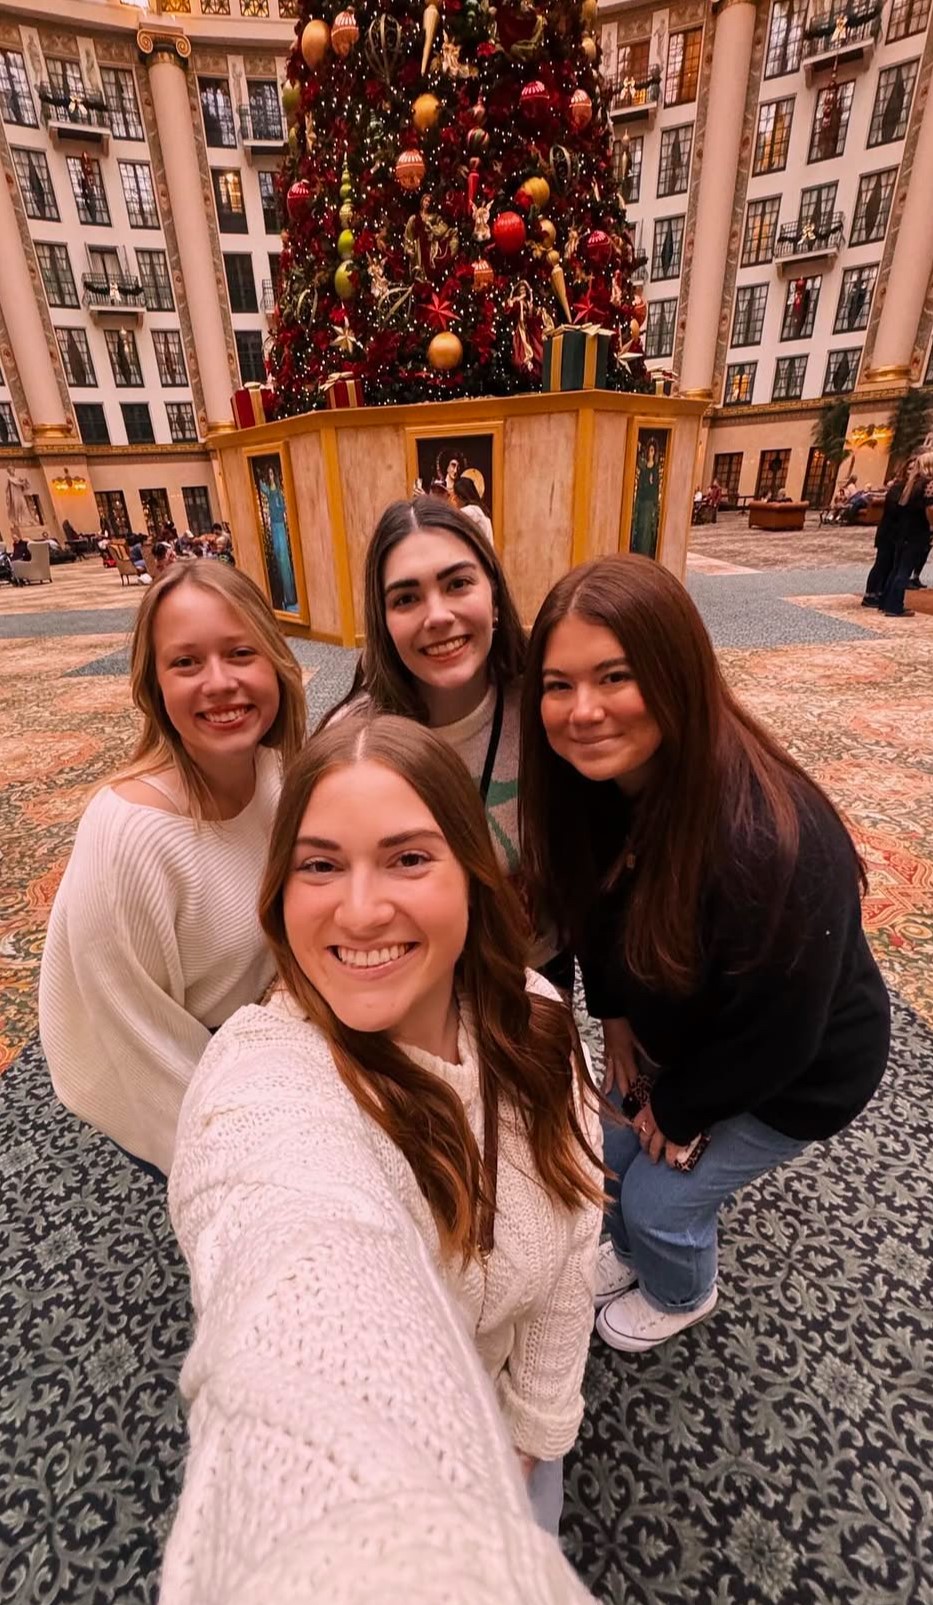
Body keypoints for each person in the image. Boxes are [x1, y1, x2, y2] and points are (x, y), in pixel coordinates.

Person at [169, 715, 603, 1539]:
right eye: (321, 865)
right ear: (281, 890)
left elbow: (574, 1240)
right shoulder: (267, 1079)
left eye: (407, 858)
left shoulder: (537, 1017)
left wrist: (532, 1432)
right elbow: (283, 1235)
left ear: (472, 873)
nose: (361, 910)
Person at [519, 554, 890, 1353]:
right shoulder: (592, 789)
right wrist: (613, 1021)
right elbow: (595, 918)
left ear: (675, 672)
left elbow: (781, 1033)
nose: (582, 711)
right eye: (557, 684)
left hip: (796, 1074)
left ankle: (681, 1287)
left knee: (658, 1201)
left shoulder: (769, 842)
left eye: (614, 676)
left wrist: (681, 1111)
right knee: (608, 1151)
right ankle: (628, 1250)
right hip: (683, 1032)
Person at [38, 562, 307, 1178]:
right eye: (186, 663)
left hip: (253, 1021)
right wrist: (238, 1155)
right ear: (155, 686)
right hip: (150, 1055)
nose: (219, 683)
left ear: (275, 663)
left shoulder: (277, 773)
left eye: (241, 652)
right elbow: (137, 1042)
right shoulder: (128, 834)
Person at [326, 498, 566, 986]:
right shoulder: (353, 744)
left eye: (458, 584)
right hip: (419, 984)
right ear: (383, 619)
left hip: (538, 972)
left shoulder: (548, 707)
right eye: (406, 598)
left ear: (493, 594)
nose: (437, 615)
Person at [876, 452, 933, 618]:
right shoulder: (928, 484)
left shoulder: (911, 484)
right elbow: (930, 508)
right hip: (917, 531)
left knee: (897, 568)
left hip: (903, 531)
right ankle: (895, 606)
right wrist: (931, 526)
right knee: (904, 570)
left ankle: (886, 602)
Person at [452, 475, 494, 543]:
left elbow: (452, 519)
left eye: (454, 496)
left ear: (460, 496)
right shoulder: (479, 510)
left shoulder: (472, 511)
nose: (454, 499)